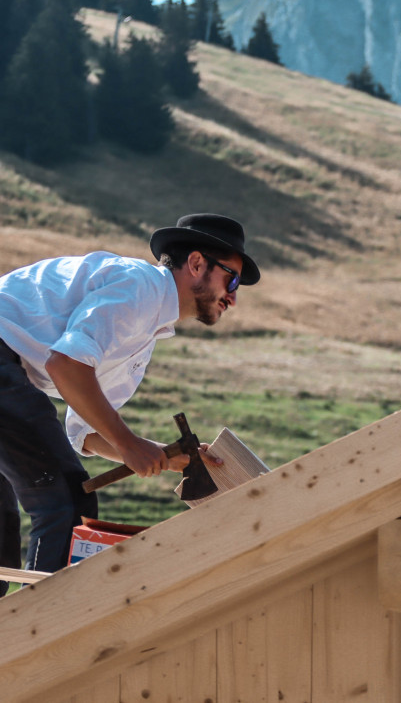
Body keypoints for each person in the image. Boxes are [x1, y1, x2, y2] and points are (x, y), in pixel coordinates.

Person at [0, 213, 260, 590]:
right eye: (231, 279)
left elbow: (84, 433)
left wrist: (160, 454)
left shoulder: (144, 337)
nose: (233, 297)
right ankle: (35, 638)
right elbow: (66, 365)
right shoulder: (139, 287)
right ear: (197, 263)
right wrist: (128, 444)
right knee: (66, 502)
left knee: (5, 521)